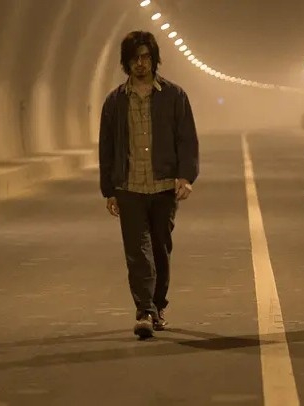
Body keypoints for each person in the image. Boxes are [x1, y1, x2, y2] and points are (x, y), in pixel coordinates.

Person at [98, 30, 200, 339]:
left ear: (154, 59)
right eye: (134, 59)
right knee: (137, 251)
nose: (140, 63)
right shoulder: (115, 101)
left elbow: (186, 139)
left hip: (163, 186)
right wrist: (109, 190)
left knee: (160, 247)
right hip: (129, 186)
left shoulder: (174, 96)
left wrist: (186, 176)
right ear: (126, 63)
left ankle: (159, 304)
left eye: (145, 57)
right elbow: (107, 148)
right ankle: (144, 310)